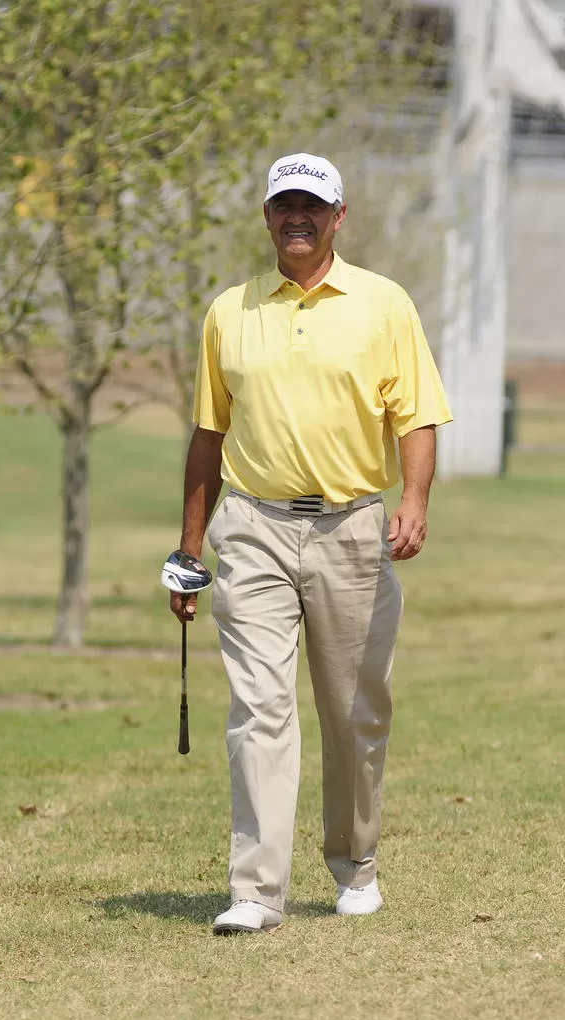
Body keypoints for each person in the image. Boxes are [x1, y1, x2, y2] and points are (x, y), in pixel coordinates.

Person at [170, 152, 453, 935]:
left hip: (352, 528)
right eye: (283, 204)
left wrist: (415, 500)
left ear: (339, 216)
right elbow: (208, 433)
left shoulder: (384, 304)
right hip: (253, 530)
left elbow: (417, 416)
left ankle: (356, 862)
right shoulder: (230, 311)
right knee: (259, 709)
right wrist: (191, 549)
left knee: (354, 709)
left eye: (312, 206)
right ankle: (255, 892)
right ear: (266, 217)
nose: (298, 216)